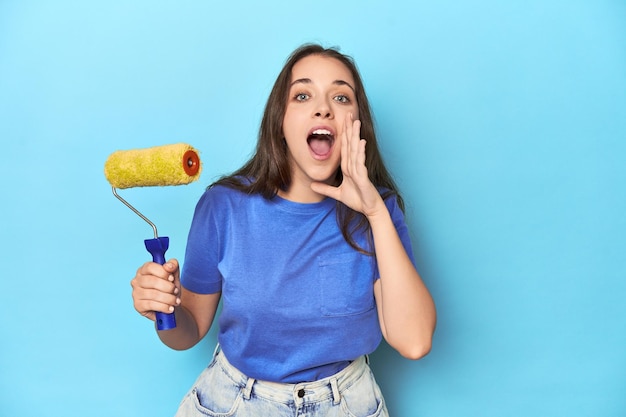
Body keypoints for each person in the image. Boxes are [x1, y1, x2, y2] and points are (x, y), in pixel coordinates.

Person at [131, 43, 436, 417]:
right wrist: (164, 309)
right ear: (280, 122)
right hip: (232, 401)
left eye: (341, 97)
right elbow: (188, 331)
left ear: (357, 126)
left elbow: (415, 341)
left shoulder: (379, 212)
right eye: (303, 95)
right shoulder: (224, 206)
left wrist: (374, 212)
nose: (323, 107)